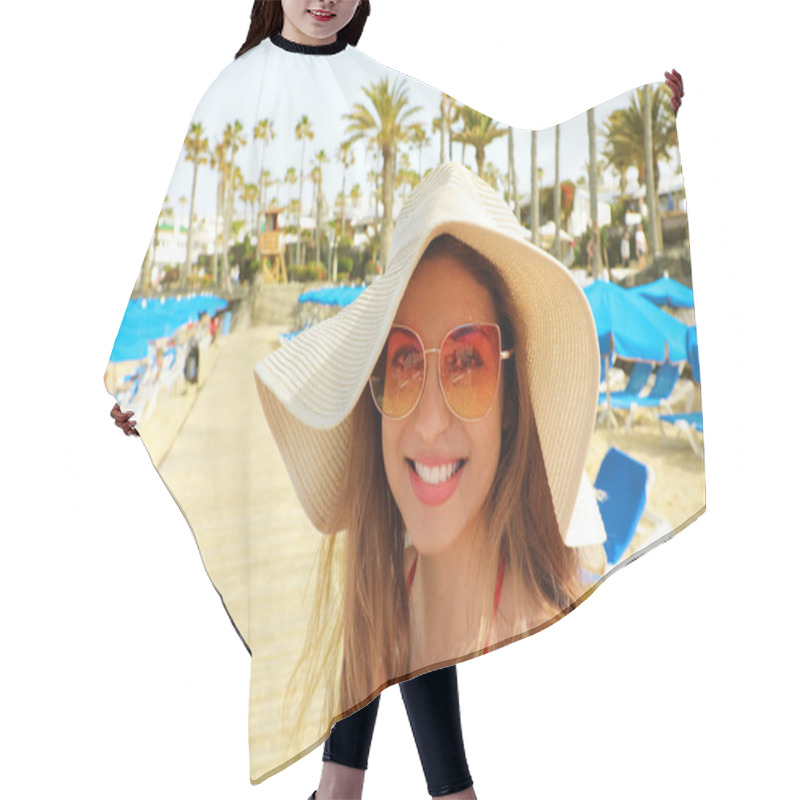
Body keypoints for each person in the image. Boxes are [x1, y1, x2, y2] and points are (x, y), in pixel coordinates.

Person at [255, 161, 606, 798]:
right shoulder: (388, 596)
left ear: (511, 400)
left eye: (469, 360)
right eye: (406, 361)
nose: (432, 421)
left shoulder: (558, 633)